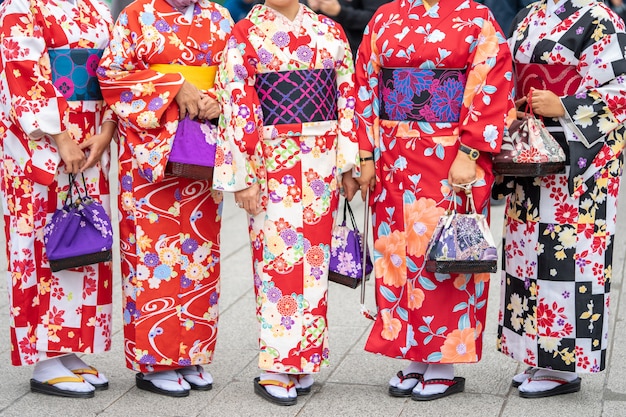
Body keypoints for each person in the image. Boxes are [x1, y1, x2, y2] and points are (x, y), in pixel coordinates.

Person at [354, 0, 515, 401]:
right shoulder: (386, 16)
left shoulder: (476, 17)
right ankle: (412, 352)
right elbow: (365, 83)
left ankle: (442, 359)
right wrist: (366, 153)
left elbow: (491, 81)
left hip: (449, 154)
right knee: (396, 255)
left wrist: (472, 151)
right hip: (392, 154)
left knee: (442, 254)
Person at [213, 0, 359, 406]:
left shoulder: (329, 32)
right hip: (270, 162)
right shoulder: (245, 33)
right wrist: (242, 176)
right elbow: (237, 107)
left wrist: (349, 162)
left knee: (313, 257)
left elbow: (347, 98)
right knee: (276, 260)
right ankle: (276, 364)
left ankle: (306, 357)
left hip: (322, 160)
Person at [97, 0, 233, 397]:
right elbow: (111, 76)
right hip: (148, 153)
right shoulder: (137, 14)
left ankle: (190, 352)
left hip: (201, 148)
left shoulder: (218, 15)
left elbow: (236, 74)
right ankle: (153, 359)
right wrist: (175, 84)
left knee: (199, 252)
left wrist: (218, 98)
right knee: (151, 254)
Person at [494, 0, 626, 399]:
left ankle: (563, 368)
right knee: (526, 257)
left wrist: (565, 104)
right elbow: (510, 72)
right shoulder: (533, 13)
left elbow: (619, 92)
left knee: (566, 261)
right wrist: (513, 103)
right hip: (531, 150)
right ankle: (536, 354)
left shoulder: (603, 19)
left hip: (579, 165)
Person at [0, 0, 115, 398]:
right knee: (38, 238)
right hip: (43, 141)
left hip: (90, 135)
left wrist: (106, 131)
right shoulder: (21, 5)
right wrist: (59, 136)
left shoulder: (95, 5)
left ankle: (69, 347)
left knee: (83, 236)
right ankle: (43, 356)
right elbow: (23, 72)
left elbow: (111, 70)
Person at [302, 0, 391, 53]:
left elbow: (379, 18)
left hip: (357, 51)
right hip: (315, 48)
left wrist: (339, 11)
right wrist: (308, 5)